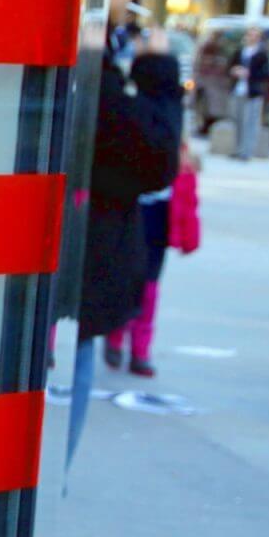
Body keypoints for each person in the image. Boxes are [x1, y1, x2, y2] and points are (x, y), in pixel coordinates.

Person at [67, 0, 182, 464]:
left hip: (84, 271)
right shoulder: (89, 60)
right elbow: (152, 157)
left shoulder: (94, 49)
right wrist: (158, 71)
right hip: (84, 271)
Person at [105, 141, 200, 377]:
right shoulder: (136, 150)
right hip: (130, 228)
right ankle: (115, 337)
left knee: (149, 292)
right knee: (125, 284)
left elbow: (188, 203)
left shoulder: (180, 160)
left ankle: (140, 352)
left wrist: (189, 237)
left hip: (158, 235)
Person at [228, 25, 269, 160]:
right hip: (238, 90)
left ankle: (246, 151)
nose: (251, 37)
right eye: (249, 34)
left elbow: (265, 73)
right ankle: (237, 148)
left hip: (253, 91)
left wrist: (249, 73)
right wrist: (234, 71)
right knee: (238, 120)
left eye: (255, 35)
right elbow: (230, 66)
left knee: (251, 122)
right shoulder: (240, 51)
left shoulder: (262, 54)